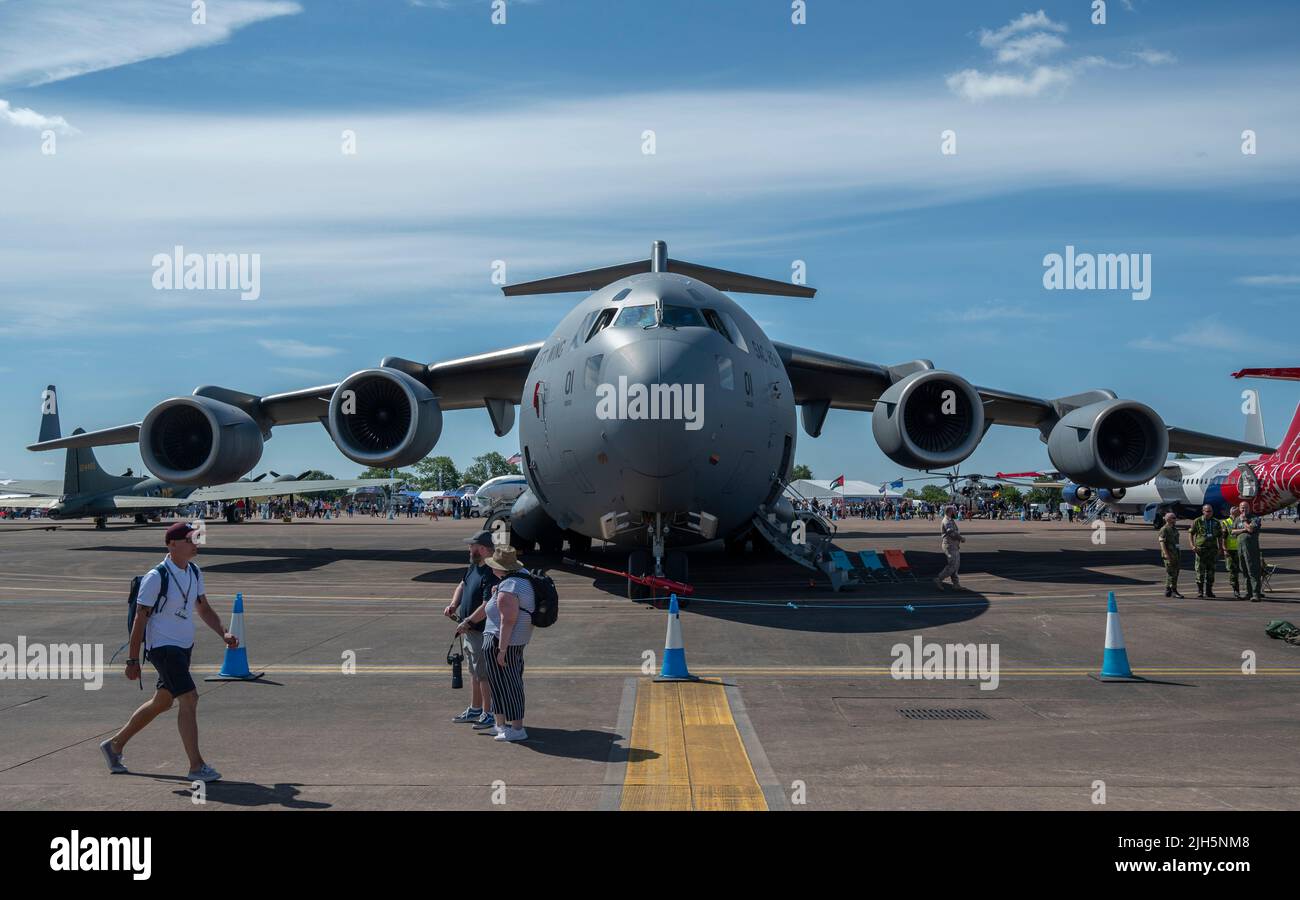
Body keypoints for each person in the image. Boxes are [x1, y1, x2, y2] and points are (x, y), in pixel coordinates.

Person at [99, 522, 238, 782]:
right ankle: (196, 766)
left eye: (196, 539)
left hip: (184, 647)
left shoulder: (194, 572)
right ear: (172, 544)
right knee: (190, 698)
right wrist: (132, 659)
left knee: (162, 702)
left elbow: (204, 608)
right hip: (163, 648)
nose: (195, 544)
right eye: (190, 540)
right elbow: (140, 620)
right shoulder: (156, 576)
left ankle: (114, 746)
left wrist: (224, 633)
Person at [454, 545, 533, 742]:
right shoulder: (515, 580)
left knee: (510, 685)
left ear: (502, 568)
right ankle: (500, 725)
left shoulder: (509, 587)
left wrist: (502, 649)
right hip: (504, 640)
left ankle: (516, 728)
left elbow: (508, 621)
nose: (492, 568)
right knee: (498, 684)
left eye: (494, 565)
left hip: (503, 641)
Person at [443, 531, 500, 731]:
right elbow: (462, 585)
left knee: (483, 674)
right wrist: (453, 604)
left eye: (472, 546)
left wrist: (468, 621)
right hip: (470, 630)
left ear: (482, 549)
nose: (469, 549)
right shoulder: (474, 566)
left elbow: (487, 605)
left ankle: (489, 713)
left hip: (482, 632)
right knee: (474, 673)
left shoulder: (491, 572)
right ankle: (476, 708)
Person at [1189, 504, 1226, 599]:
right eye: (1207, 511)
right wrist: (1192, 545)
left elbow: (1220, 536)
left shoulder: (1216, 522)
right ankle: (1200, 591)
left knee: (1211, 571)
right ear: (1203, 511)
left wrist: (1220, 548)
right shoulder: (1197, 521)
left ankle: (1209, 591)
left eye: (1211, 511)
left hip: (1212, 550)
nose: (1209, 513)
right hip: (1201, 550)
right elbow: (1191, 533)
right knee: (1200, 571)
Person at [1233, 502, 1265, 602]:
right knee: (1244, 570)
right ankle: (1249, 593)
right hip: (1240, 548)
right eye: (1242, 508)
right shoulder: (1237, 519)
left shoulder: (1255, 518)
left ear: (1249, 508)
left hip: (1251, 549)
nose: (1244, 510)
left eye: (1246, 508)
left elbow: (1251, 529)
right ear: (1239, 508)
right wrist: (1243, 530)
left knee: (1253, 570)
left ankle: (1256, 594)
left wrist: (1245, 521)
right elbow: (1233, 531)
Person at [934, 505, 965, 590]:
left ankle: (956, 584)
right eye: (953, 510)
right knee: (952, 565)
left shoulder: (950, 520)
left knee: (956, 565)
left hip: (954, 545)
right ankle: (939, 579)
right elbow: (951, 533)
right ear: (949, 511)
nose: (955, 511)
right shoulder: (946, 521)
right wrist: (961, 538)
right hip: (949, 546)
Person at [1157, 511, 1184, 598]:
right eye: (1173, 518)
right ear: (1168, 519)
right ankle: (1173, 590)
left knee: (1175, 572)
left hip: (1176, 554)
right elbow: (1162, 543)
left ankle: (1168, 590)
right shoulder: (1164, 529)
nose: (1175, 519)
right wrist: (1166, 554)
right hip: (1169, 554)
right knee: (1172, 573)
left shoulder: (1174, 529)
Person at [1220, 508, 1242, 598]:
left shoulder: (1241, 520)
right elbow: (1224, 537)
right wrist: (1225, 549)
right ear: (1231, 512)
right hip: (1230, 550)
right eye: (1235, 509)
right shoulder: (1226, 522)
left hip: (1240, 549)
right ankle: (1236, 590)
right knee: (1233, 570)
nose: (1237, 511)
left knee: (1241, 569)